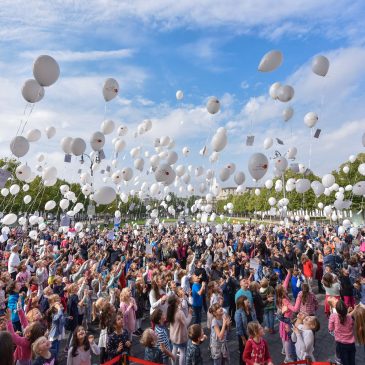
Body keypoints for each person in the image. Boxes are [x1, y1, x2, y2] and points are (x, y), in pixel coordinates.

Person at [328, 299, 356, 365]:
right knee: (352, 361)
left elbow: (330, 328)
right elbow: (352, 325)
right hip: (351, 344)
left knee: (344, 361)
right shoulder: (349, 317)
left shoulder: (333, 316)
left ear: (336, 309)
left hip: (340, 344)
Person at [166, 295, 192, 365]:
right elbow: (186, 323)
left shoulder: (170, 310)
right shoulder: (179, 312)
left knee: (174, 349)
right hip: (180, 337)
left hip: (173, 336)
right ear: (176, 302)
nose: (179, 298)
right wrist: (190, 314)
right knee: (182, 352)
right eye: (177, 298)